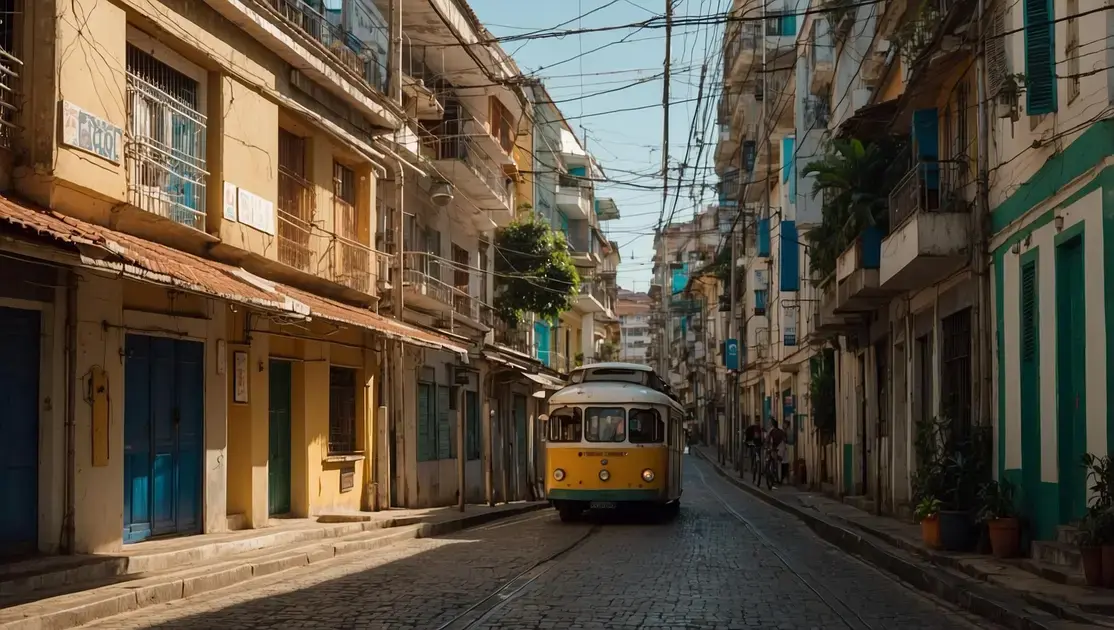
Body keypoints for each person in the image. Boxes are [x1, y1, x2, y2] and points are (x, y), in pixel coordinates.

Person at [766, 419, 787, 489]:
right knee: (778, 463)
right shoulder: (781, 431)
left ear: (772, 424)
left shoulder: (771, 431)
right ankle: (779, 479)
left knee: (775, 462)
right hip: (780, 447)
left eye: (769, 423)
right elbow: (784, 440)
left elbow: (767, 440)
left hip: (777, 447)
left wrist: (767, 448)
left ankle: (776, 477)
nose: (768, 425)